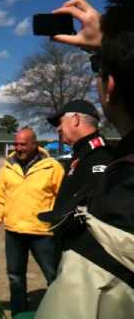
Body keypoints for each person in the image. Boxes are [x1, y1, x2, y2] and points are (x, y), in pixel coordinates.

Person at [35, 0, 134, 318]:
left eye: (98, 70)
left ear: (110, 86)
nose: (58, 131)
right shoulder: (81, 157)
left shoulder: (115, 177)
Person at [0, 127, 64, 316]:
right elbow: (1, 196)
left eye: (23, 144)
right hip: (14, 232)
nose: (18, 148)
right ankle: (18, 313)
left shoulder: (52, 167)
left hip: (43, 233)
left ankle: (58, 311)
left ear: (34, 145)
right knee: (15, 278)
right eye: (16, 144)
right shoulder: (8, 166)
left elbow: (62, 198)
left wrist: (61, 224)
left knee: (54, 277)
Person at [39, 99, 114, 250]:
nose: (58, 129)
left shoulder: (99, 155)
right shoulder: (82, 153)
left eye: (60, 122)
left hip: (86, 254)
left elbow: (100, 215)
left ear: (75, 119)